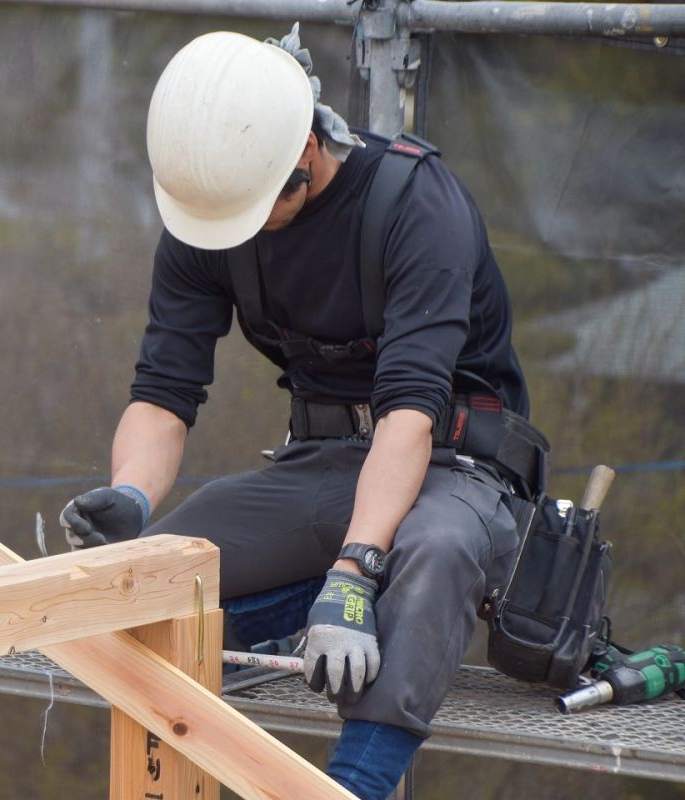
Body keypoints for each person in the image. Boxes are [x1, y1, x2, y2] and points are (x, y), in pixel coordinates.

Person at [58, 27, 545, 800]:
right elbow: (163, 393)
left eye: (257, 215)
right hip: (323, 466)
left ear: (306, 157)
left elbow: (410, 413)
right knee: (161, 571)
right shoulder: (212, 209)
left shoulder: (416, 206)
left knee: (433, 555)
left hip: (454, 465)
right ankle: (277, 617)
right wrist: (132, 498)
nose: (240, 237)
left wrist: (355, 570)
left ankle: (357, 782)